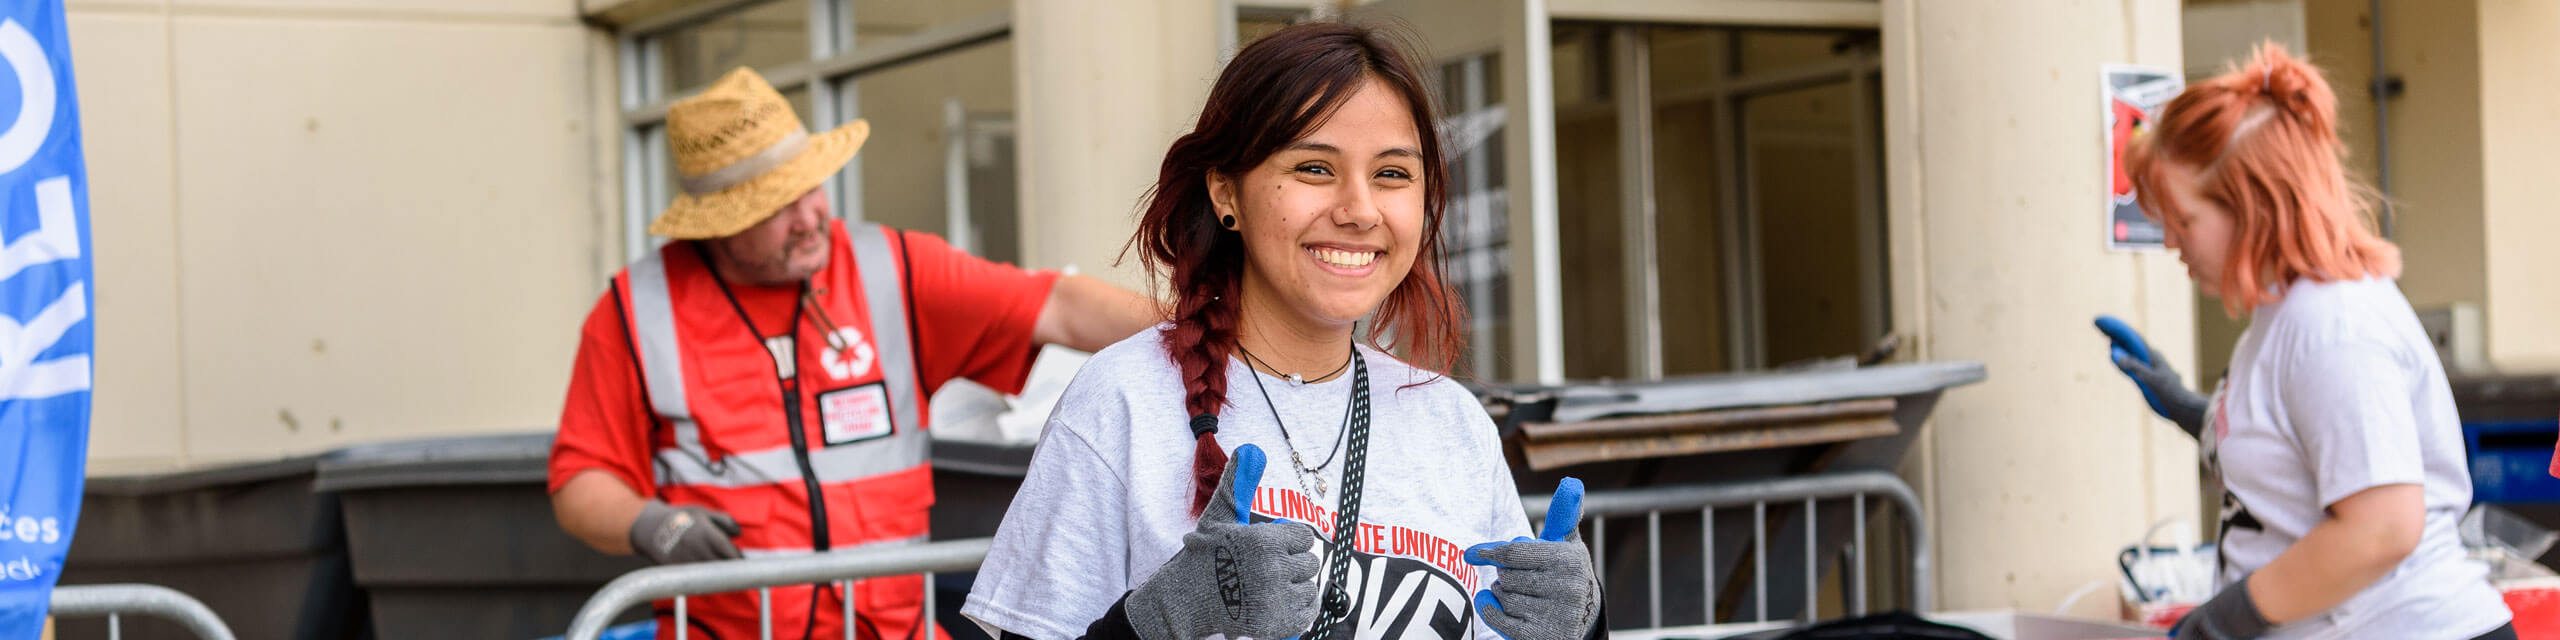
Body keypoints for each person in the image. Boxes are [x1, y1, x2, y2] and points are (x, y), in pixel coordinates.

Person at [961, 22, 1603, 640]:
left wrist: (1583, 627)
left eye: (1392, 174)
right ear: (1226, 194)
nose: (1358, 210)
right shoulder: (1123, 400)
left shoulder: (1454, 423)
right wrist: (1160, 618)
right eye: (1314, 169)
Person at [547, 67, 1160, 640]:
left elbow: (1058, 306)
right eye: (776, 205)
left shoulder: (889, 269)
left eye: (810, 187)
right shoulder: (636, 312)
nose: (810, 215)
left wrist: (1207, 330)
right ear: (720, 223)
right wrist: (655, 526)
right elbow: (580, 480)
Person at [2101, 44, 2513, 640]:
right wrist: (2195, 412)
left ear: (2253, 209)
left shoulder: (2332, 326)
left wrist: (2225, 620)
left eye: (2183, 221)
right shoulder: (2290, 314)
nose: (2170, 242)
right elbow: (2306, 461)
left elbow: (2382, 529)